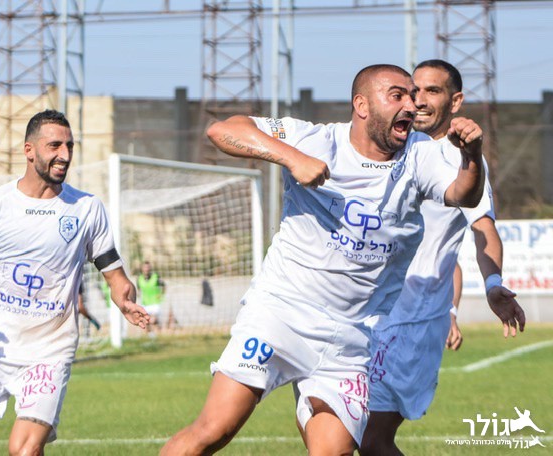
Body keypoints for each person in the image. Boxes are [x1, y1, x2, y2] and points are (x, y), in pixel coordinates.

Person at [161, 63, 491, 455]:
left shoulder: (420, 153)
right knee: (214, 430)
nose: (411, 104)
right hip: (281, 316)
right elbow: (222, 130)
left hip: (350, 340)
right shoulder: (316, 140)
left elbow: (462, 195)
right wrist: (291, 158)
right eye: (397, 95)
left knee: (334, 452)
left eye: (413, 96)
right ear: (362, 105)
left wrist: (472, 156)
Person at [0, 110, 149, 456]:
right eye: (55, 145)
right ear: (29, 151)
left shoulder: (86, 209)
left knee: (25, 451)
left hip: (48, 353)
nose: (64, 154)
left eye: (69, 146)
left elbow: (116, 277)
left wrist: (125, 301)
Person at [359, 59, 526, 456]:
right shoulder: (394, 149)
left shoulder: (461, 161)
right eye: (413, 90)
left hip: (410, 324)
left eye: (432, 91)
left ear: (456, 101)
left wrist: (493, 284)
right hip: (366, 314)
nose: (419, 100)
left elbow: (483, 230)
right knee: (330, 428)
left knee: (370, 440)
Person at [136, 261, 167, 332]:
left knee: (152, 321)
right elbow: (138, 290)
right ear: (142, 268)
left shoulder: (155, 276)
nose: (146, 269)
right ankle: (150, 336)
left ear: (150, 268)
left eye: (148, 267)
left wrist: (161, 294)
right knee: (146, 323)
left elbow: (164, 286)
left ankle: (158, 333)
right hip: (145, 303)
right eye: (145, 267)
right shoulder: (139, 278)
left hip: (155, 303)